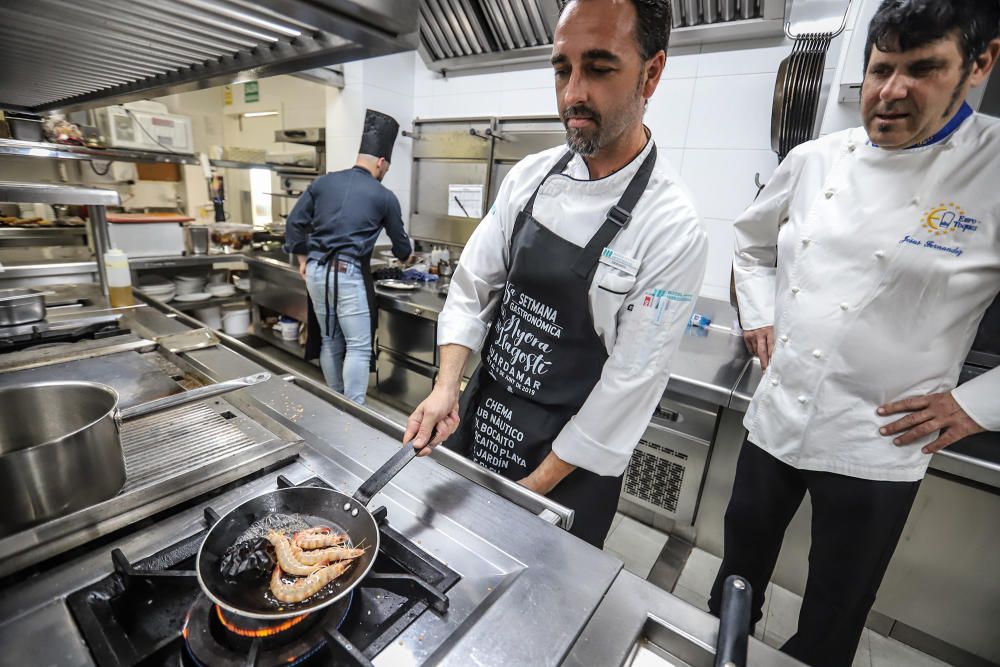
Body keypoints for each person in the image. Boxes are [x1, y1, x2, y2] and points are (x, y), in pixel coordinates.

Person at [714, 2, 1000, 665]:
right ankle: (721, 646)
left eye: (923, 69)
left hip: (878, 442)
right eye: (881, 69)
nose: (891, 92)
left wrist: (974, 404)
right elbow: (750, 244)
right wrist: (757, 311)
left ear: (979, 65)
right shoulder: (815, 158)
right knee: (736, 572)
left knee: (835, 609)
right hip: (778, 416)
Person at [403, 0, 708, 548]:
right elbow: (473, 285)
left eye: (599, 68)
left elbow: (628, 387)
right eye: (562, 68)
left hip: (566, 471)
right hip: (482, 421)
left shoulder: (671, 226)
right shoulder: (531, 177)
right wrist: (447, 384)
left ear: (652, 72)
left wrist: (531, 489)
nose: (572, 94)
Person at [284, 109, 412, 404]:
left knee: (330, 339)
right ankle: (354, 410)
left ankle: (337, 402)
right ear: (381, 162)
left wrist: (304, 261)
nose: (385, 174)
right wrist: (406, 256)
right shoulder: (384, 196)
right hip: (348, 275)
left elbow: (294, 225)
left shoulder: (323, 183)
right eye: (387, 169)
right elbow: (401, 247)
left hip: (316, 271)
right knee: (358, 347)